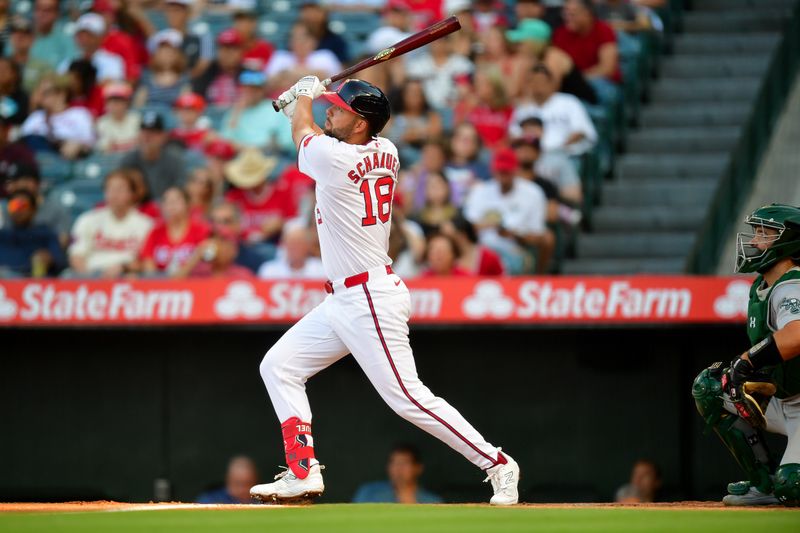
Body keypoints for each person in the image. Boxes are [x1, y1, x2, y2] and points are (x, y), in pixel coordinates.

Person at [248, 76, 519, 505]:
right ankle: (303, 471)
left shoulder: (335, 157)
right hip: (344, 298)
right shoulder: (385, 150)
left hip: (368, 298)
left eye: (339, 108)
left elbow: (306, 134)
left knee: (407, 398)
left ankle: (498, 463)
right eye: (330, 106)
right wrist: (303, 105)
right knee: (278, 365)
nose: (329, 110)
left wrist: (302, 95)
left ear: (360, 125)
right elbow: (314, 136)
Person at [692, 203, 800, 507]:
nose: (754, 241)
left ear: (789, 241)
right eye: (756, 233)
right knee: (711, 389)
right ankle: (762, 483)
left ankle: (780, 482)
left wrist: (747, 361)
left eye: (764, 234)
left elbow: (796, 336)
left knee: (793, 487)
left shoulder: (793, 284)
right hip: (786, 399)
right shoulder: (762, 286)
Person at [463, 147, 553, 274]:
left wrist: (516, 235)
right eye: (500, 171)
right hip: (482, 248)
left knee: (544, 240)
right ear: (493, 170)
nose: (503, 175)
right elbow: (467, 227)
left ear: (516, 170)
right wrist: (492, 225)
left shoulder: (533, 192)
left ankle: (538, 277)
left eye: (506, 171)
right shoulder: (480, 191)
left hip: (517, 248)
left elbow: (538, 235)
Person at [67, 169, 153, 278]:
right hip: (92, 275)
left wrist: (124, 267)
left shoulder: (146, 224)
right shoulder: (87, 220)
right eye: (110, 189)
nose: (114, 194)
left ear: (132, 194)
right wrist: (90, 279)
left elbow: (146, 263)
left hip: (127, 276)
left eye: (120, 189)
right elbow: (76, 256)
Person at [552, 0, 622, 105]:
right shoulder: (560, 33)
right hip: (571, 84)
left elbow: (607, 68)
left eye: (573, 14)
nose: (567, 17)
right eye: (565, 13)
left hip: (599, 82)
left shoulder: (604, 30)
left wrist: (578, 79)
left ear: (587, 14)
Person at [20, 75, 95, 160]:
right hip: (37, 158)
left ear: (62, 94)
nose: (41, 97)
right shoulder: (36, 117)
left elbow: (90, 141)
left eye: (46, 92)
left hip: (67, 158)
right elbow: (23, 141)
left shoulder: (79, 114)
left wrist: (77, 144)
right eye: (40, 92)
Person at [139, 186, 210, 276]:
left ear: (187, 204)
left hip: (194, 284)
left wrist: (181, 273)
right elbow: (148, 263)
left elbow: (206, 257)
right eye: (167, 202)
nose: (171, 206)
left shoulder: (201, 230)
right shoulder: (155, 232)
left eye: (176, 201)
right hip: (161, 286)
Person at [220, 70, 294, 154]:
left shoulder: (276, 108)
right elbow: (225, 140)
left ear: (262, 90)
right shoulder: (235, 111)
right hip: (237, 155)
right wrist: (236, 112)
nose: (250, 92)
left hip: (267, 155)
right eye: (246, 88)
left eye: (255, 88)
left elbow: (287, 142)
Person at [120, 110, 188, 199]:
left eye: (153, 133)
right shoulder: (129, 160)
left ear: (163, 136)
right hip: (137, 209)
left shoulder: (175, 160)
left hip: (167, 209)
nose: (147, 137)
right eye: (144, 132)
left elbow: (180, 191)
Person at [0, 161, 70, 247]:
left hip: (42, 255)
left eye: (25, 181)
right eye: (14, 182)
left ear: (37, 183)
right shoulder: (3, 207)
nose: (19, 186)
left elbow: (63, 239)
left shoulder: (56, 208)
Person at [0, 189, 64, 277]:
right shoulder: (3, 235)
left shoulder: (45, 234)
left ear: (33, 209)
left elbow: (59, 261)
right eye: (14, 206)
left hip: (32, 282)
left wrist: (48, 258)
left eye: (22, 206)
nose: (18, 211)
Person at [352, 444, 442, 503]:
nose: (398, 468)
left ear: (418, 468)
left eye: (404, 463)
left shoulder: (433, 501)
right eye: (394, 463)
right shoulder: (368, 492)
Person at [60, 13, 125, 84]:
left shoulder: (113, 62)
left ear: (100, 37)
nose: (84, 39)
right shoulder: (67, 63)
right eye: (80, 34)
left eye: (89, 35)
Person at [191, 28, 243, 107]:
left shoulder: (248, 73)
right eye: (224, 48)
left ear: (240, 51)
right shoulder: (207, 73)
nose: (228, 53)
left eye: (233, 48)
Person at [257, 224, 325, 280]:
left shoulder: (321, 270)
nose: (294, 248)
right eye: (291, 243)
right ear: (284, 245)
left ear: (308, 246)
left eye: (299, 243)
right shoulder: (269, 270)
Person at [7, 15, 53, 94]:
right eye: (15, 32)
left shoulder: (43, 67)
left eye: (25, 33)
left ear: (33, 38)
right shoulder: (3, 64)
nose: (19, 36)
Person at [28, 0, 78, 71]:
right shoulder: (22, 37)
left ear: (57, 14)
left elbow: (71, 68)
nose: (42, 14)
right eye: (38, 9)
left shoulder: (67, 41)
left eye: (47, 10)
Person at [196, 456, 261, 505]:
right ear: (228, 481)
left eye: (247, 484)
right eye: (237, 484)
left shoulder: (265, 502)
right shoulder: (210, 500)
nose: (242, 490)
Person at [96, 81, 140, 153]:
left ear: (127, 102)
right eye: (110, 101)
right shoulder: (102, 122)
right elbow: (106, 148)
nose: (114, 104)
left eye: (118, 101)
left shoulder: (136, 119)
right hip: (111, 161)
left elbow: (140, 144)